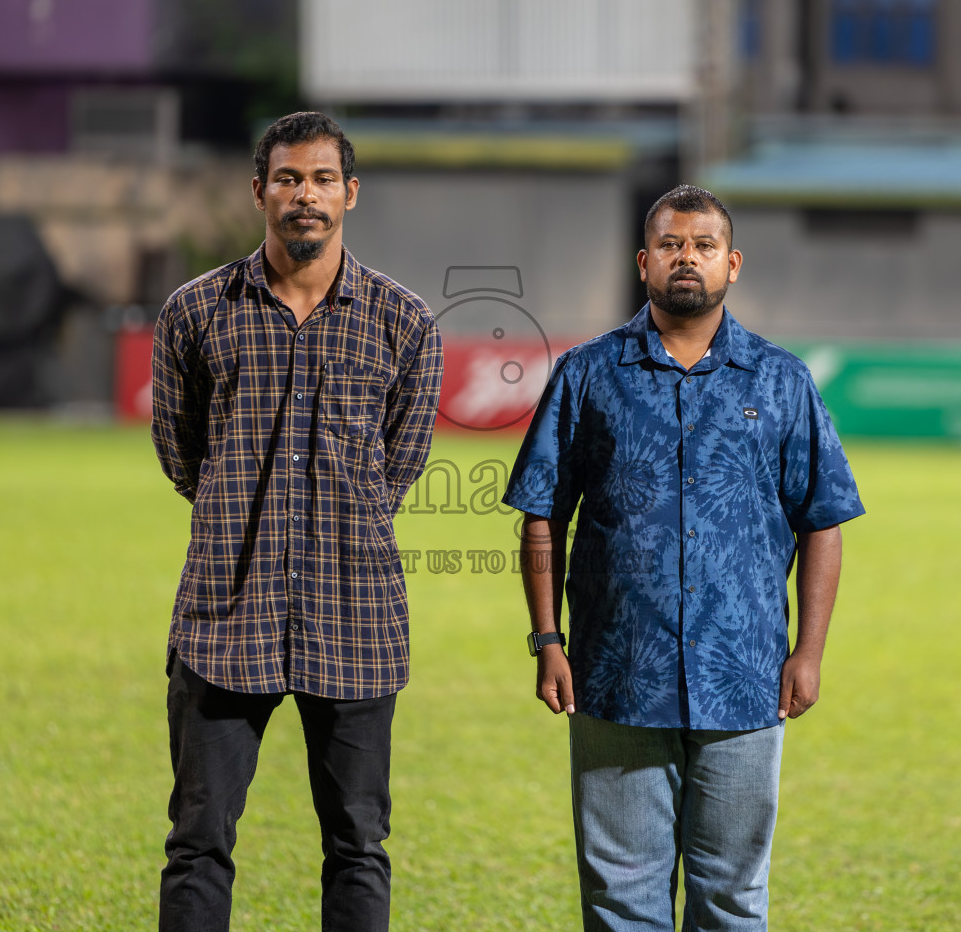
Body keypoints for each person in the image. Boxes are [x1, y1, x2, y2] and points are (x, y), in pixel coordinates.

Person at [503, 185, 864, 931]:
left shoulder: (782, 380)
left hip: (746, 677)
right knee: (620, 899)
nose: (686, 258)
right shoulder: (586, 374)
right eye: (671, 245)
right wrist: (547, 642)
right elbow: (542, 513)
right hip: (616, 672)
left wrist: (809, 651)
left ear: (732, 264)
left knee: (732, 898)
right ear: (644, 262)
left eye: (702, 246)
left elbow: (823, 520)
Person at [150, 111, 443, 932]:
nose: (303, 196)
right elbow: (183, 458)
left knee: (358, 844)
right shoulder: (196, 312)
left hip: (355, 623)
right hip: (223, 619)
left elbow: (399, 466)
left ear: (350, 193)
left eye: (320, 179)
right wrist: (241, 509)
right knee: (198, 843)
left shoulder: (404, 322)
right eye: (287, 178)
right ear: (259, 192)